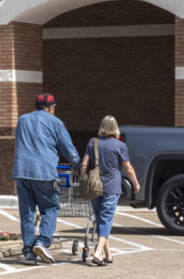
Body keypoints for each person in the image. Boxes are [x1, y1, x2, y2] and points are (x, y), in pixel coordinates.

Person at [12, 92, 80, 264]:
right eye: (54, 107)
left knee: (27, 213)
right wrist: (79, 165)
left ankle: (28, 252)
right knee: (50, 208)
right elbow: (68, 149)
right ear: (50, 107)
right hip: (44, 172)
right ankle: (42, 242)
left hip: (21, 171)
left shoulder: (22, 120)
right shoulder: (55, 122)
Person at [79, 116, 139, 266]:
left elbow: (84, 164)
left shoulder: (93, 143)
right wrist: (136, 184)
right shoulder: (120, 145)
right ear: (115, 128)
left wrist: (83, 178)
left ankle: (108, 254)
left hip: (94, 185)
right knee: (106, 219)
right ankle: (98, 253)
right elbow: (128, 168)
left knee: (101, 219)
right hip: (112, 186)